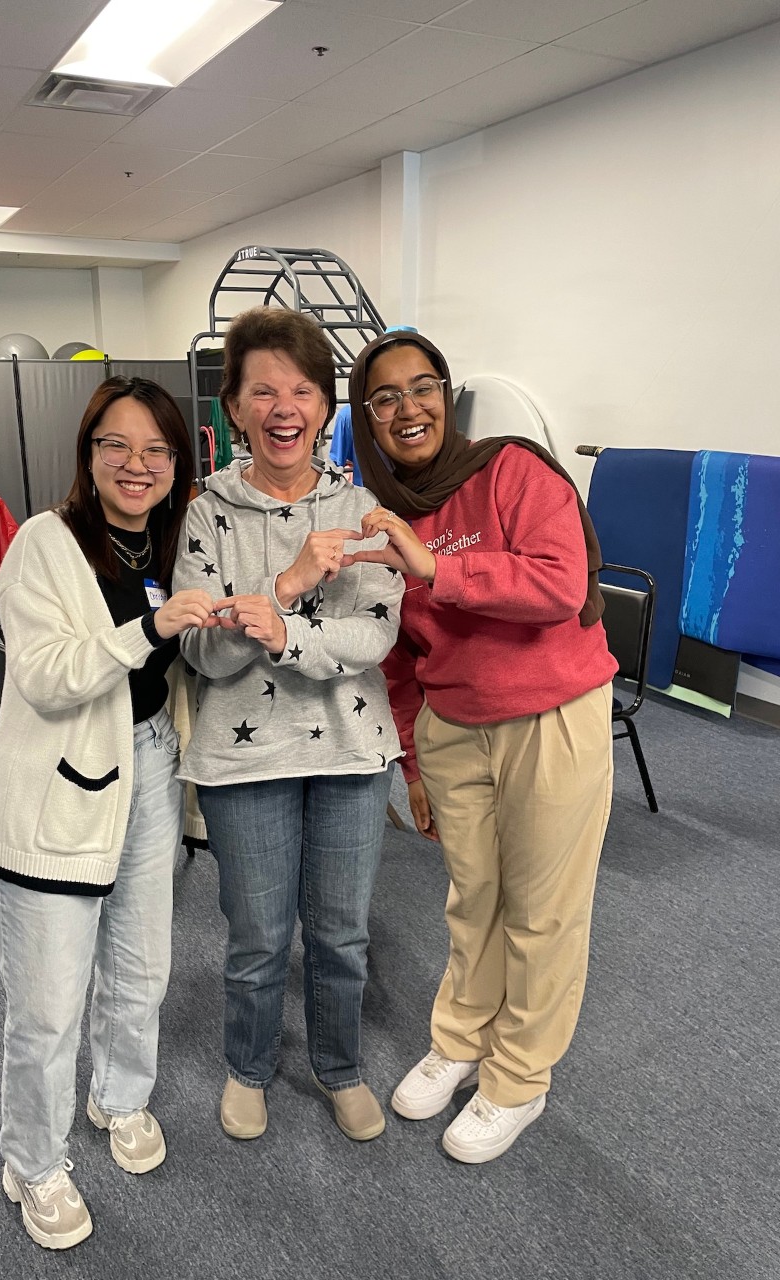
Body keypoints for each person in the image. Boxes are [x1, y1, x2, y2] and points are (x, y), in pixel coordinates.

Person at [346, 330, 618, 1164]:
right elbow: (397, 656)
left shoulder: (512, 469)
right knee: (473, 901)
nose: (407, 408)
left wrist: (438, 568)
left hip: (550, 715)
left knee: (542, 910)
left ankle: (519, 1077)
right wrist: (412, 763)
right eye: (384, 398)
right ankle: (461, 1039)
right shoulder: (382, 515)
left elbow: (559, 585)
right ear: (367, 418)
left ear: (446, 395)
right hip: (452, 729)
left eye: (422, 387)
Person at [0, 376, 216, 1251]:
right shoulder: (44, 543)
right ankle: (32, 1161)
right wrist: (149, 632)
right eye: (115, 444)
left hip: (151, 760)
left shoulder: (170, 541)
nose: (136, 464)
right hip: (60, 781)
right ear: (87, 454)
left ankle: (119, 1096)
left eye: (157, 449)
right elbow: (44, 676)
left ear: (177, 464)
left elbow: (186, 654)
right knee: (48, 997)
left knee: (141, 961)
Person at [172, 307, 405, 1144]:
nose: (284, 408)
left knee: (341, 934)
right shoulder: (207, 513)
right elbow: (204, 651)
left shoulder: (362, 510)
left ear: (324, 407)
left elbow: (373, 636)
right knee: (258, 937)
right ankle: (249, 1065)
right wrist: (290, 583)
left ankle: (340, 1067)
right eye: (263, 391)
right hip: (244, 762)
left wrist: (281, 632)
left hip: (351, 751)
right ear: (233, 408)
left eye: (303, 390)